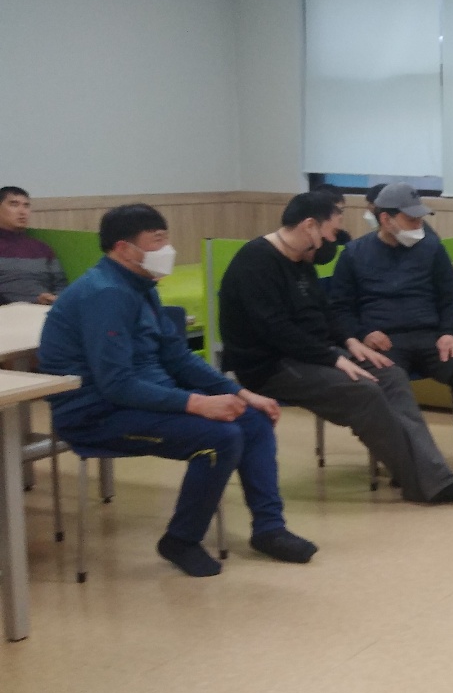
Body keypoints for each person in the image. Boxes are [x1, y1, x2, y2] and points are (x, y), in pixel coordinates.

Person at [38, 204, 316, 577]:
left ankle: (269, 528)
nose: (166, 249)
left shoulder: (142, 286)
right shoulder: (105, 294)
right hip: (97, 414)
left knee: (253, 419)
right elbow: (116, 384)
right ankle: (181, 540)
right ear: (124, 248)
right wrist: (197, 404)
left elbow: (178, 358)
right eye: (157, 241)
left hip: (144, 399)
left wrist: (241, 393)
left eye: (166, 238)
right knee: (219, 438)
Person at [218, 192, 453, 504]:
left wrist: (351, 341)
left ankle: (431, 475)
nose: (333, 239)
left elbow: (325, 313)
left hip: (313, 354)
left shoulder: (300, 261)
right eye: (331, 231)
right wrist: (333, 358)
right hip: (271, 365)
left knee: (390, 374)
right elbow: (276, 330)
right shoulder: (255, 262)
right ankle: (425, 482)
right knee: (364, 391)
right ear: (309, 226)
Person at [330, 183, 453, 478]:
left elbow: (451, 298)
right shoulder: (354, 254)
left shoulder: (431, 249)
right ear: (386, 219)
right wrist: (363, 333)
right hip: (383, 343)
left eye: (420, 218)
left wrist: (449, 332)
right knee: (391, 380)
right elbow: (339, 308)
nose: (418, 225)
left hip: (431, 338)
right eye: (411, 219)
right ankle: (405, 459)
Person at [0, 186, 67, 305]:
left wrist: (55, 299)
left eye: (26, 206)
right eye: (14, 204)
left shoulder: (43, 249)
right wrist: (32, 300)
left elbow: (61, 285)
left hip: (45, 309)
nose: (22, 212)